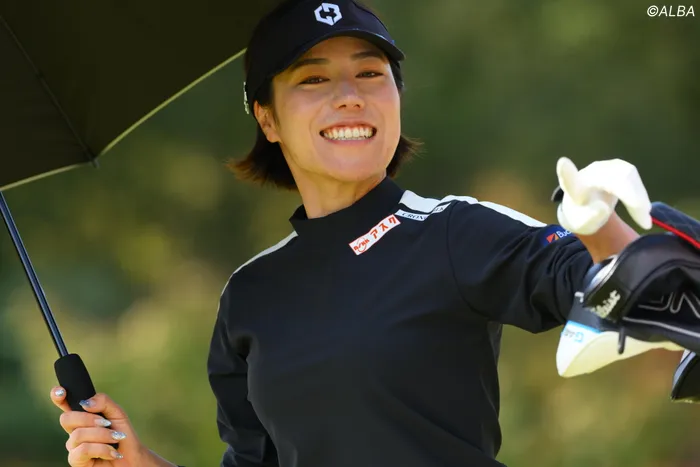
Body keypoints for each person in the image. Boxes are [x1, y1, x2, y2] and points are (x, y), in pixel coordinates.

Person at [49, 0, 655, 466]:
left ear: (397, 96)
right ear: (267, 118)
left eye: (370, 73)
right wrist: (137, 461)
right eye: (313, 80)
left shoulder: (453, 230)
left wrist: (606, 230)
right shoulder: (249, 296)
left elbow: (601, 279)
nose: (349, 98)